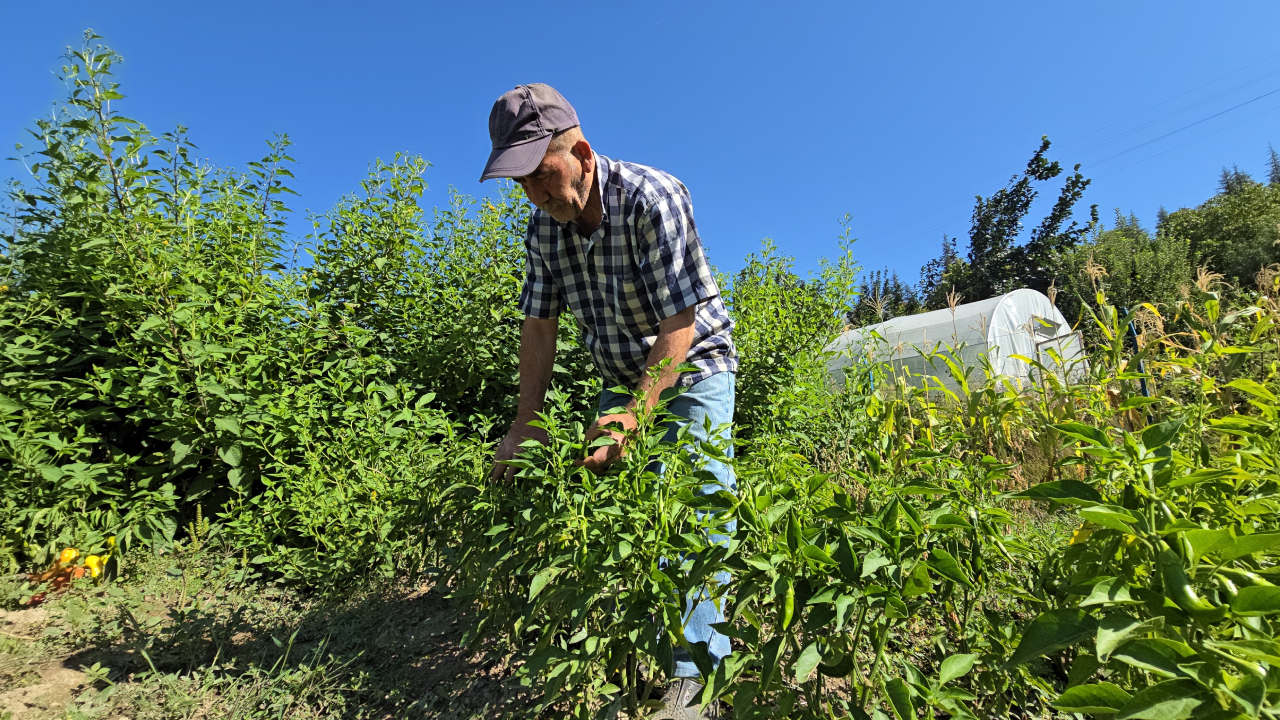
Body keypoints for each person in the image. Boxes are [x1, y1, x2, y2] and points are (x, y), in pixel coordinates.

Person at [481, 83, 736, 719]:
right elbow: (539, 325)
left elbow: (680, 323)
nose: (535, 195)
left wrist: (634, 415)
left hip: (692, 365)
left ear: (583, 155)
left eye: (542, 175)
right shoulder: (545, 231)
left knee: (695, 507)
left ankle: (698, 678)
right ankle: (653, 654)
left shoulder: (653, 197)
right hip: (620, 372)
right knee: (632, 511)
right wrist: (525, 425)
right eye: (523, 185)